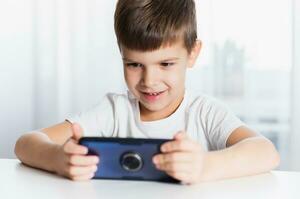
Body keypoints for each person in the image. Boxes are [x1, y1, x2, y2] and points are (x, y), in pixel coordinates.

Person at [15, 0, 280, 184]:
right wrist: (58, 159)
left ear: (192, 53)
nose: (149, 80)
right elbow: (26, 143)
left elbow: (266, 152)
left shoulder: (204, 112)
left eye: (165, 64)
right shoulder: (115, 111)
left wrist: (205, 166)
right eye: (134, 64)